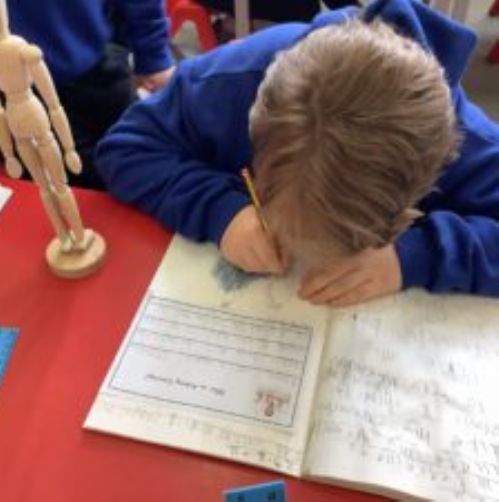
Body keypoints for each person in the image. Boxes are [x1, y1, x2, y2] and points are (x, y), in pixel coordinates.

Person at [95, 0, 499, 307]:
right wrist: (224, 212)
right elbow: (124, 148)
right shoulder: (226, 85)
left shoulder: (458, 137)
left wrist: (410, 258)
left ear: (429, 176)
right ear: (255, 128)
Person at [6, 0, 174, 189]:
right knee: (69, 187)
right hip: (22, 97)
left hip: (99, 62)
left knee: (149, 162)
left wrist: (153, 55)